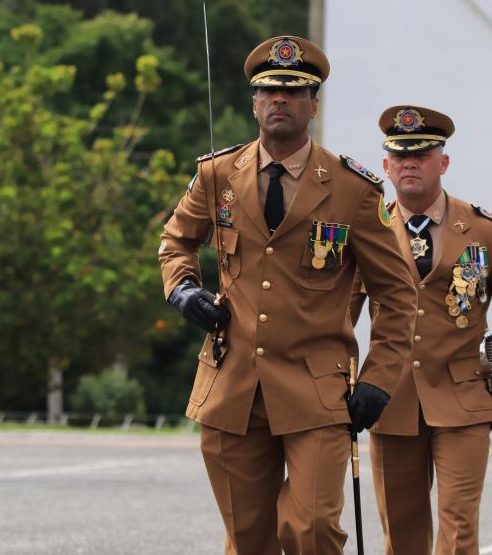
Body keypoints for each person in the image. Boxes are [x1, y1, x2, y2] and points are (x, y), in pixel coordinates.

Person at [158, 36, 417, 555]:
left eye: (295, 92)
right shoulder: (216, 174)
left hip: (316, 389)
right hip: (232, 384)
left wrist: (379, 378)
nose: (280, 99)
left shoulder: (353, 188)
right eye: (269, 91)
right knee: (248, 538)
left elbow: (397, 292)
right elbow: (175, 242)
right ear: (254, 103)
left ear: (313, 105)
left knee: (312, 528)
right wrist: (183, 289)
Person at [350, 105, 492, 555]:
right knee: (401, 534)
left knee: (459, 530)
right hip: (390, 399)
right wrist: (340, 384)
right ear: (386, 166)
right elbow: (339, 317)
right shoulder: (368, 231)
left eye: (421, 155)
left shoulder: (485, 232)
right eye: (400, 156)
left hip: (463, 403)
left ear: (442, 162)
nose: (409, 164)